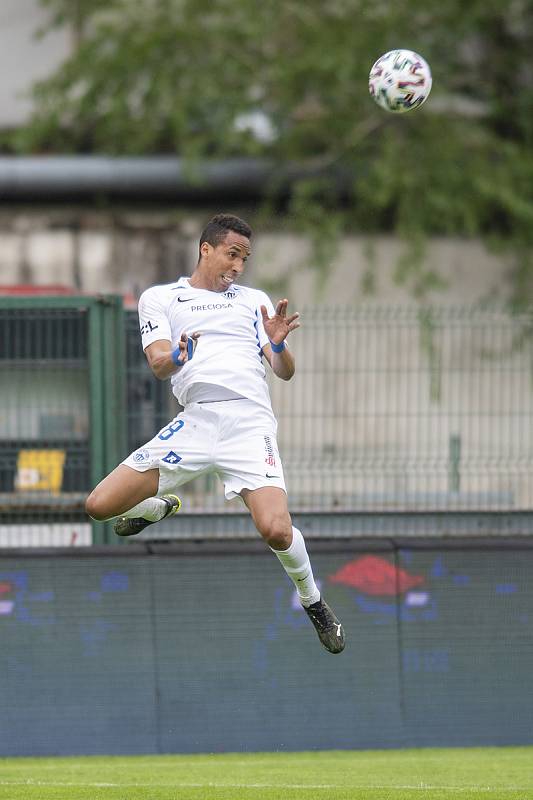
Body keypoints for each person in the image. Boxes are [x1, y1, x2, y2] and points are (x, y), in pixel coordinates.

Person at [85, 213, 345, 654]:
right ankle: (154, 508)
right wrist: (179, 358)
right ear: (206, 249)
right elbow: (159, 363)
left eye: (244, 258)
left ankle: (312, 600)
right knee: (99, 506)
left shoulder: (253, 301)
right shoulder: (162, 298)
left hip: (248, 423)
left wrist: (278, 346)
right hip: (198, 420)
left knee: (277, 531)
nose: (238, 266)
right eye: (232, 254)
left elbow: (284, 373)